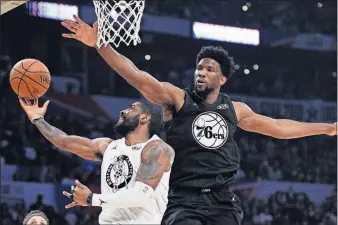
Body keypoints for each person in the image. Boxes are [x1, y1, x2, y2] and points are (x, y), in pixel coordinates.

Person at [61, 15, 337, 225]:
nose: (201, 73)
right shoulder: (178, 99)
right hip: (184, 199)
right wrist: (100, 44)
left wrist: (328, 127)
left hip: (223, 200)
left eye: (209, 69)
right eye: (199, 68)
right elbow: (137, 76)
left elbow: (278, 127)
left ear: (223, 78)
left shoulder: (235, 109)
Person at [19, 98, 175, 225]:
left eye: (132, 108)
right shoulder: (108, 146)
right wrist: (37, 119)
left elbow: (139, 197)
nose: (123, 111)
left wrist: (90, 198)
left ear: (144, 118)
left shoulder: (157, 149)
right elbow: (64, 142)